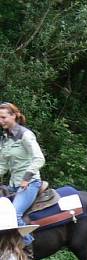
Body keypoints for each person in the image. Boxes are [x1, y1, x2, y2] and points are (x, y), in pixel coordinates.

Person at [0, 103, 45, 248]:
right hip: (13, 185)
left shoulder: (25, 135)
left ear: (14, 116)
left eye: (3, 117)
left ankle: (28, 248)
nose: (1, 121)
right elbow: (3, 165)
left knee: (14, 215)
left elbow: (39, 158)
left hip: (30, 183)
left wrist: (26, 178)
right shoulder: (5, 138)